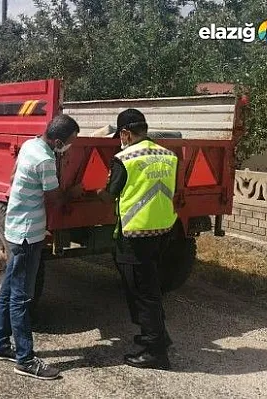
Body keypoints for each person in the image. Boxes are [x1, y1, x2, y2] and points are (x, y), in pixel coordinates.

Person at [0, 114, 83, 380]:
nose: (70, 147)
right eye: (69, 143)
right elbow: (55, 198)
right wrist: (74, 192)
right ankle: (25, 360)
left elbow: (11, 176)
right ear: (57, 141)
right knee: (20, 297)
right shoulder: (44, 160)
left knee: (8, 289)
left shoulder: (31, 145)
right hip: (27, 236)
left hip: (15, 227)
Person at [95, 109, 178, 370]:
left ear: (125, 133)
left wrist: (94, 191)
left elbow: (109, 196)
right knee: (151, 288)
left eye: (121, 135)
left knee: (143, 294)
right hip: (163, 231)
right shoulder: (168, 155)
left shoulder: (125, 158)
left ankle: (155, 352)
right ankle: (158, 336)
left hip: (135, 235)